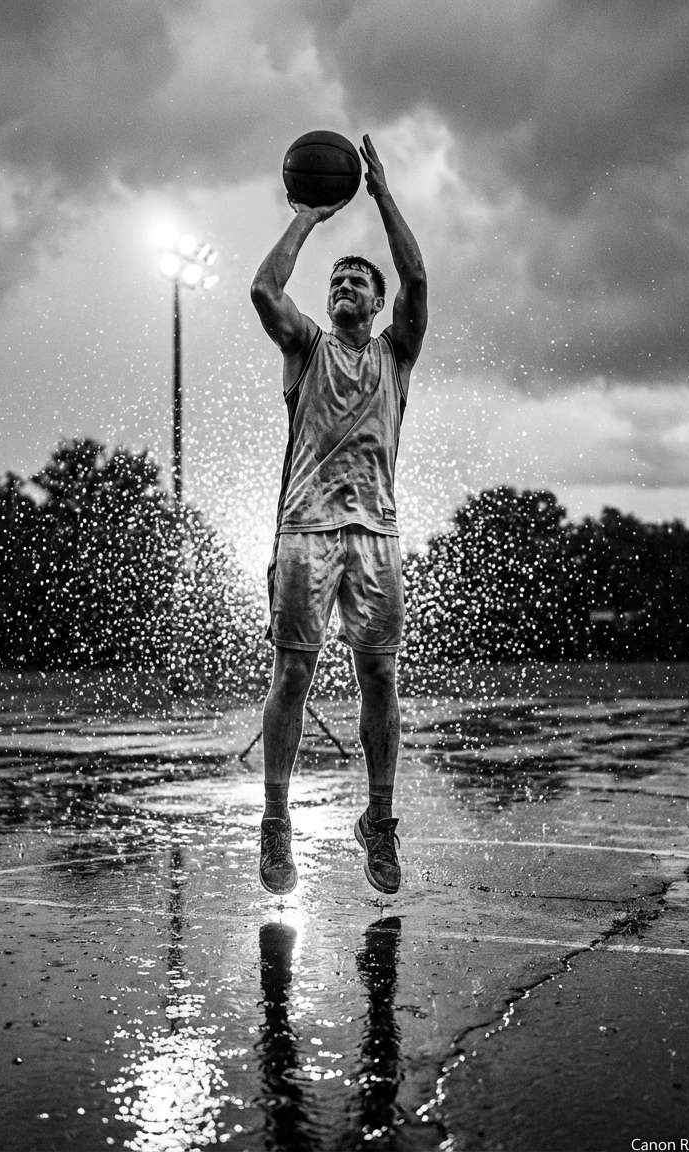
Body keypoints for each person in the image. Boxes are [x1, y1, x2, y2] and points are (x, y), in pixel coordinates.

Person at [250, 133, 427, 896]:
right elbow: (263, 290)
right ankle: (276, 821)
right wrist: (310, 218)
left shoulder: (397, 354)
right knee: (293, 672)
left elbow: (417, 272)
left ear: (379, 303)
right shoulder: (306, 348)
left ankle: (378, 820)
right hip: (305, 531)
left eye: (360, 277)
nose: (346, 283)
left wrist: (381, 193)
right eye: (338, 278)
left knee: (379, 677)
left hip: (377, 537)